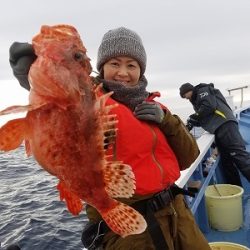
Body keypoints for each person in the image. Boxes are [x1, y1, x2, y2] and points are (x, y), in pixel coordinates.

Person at [9, 27, 211, 250]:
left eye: (131, 65)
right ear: (101, 68)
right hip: (130, 233)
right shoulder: (89, 101)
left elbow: (189, 156)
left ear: (141, 70)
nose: (123, 72)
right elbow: (68, 104)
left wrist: (167, 121)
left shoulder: (156, 107)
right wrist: (36, 79)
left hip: (178, 213)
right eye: (115, 63)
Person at [179, 82, 250, 186]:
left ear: (189, 90)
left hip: (225, 125)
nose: (186, 98)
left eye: (185, 95)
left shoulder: (202, 91)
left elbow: (209, 106)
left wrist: (194, 116)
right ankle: (235, 189)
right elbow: (206, 116)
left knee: (240, 157)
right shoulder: (196, 99)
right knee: (227, 162)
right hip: (218, 129)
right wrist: (193, 122)